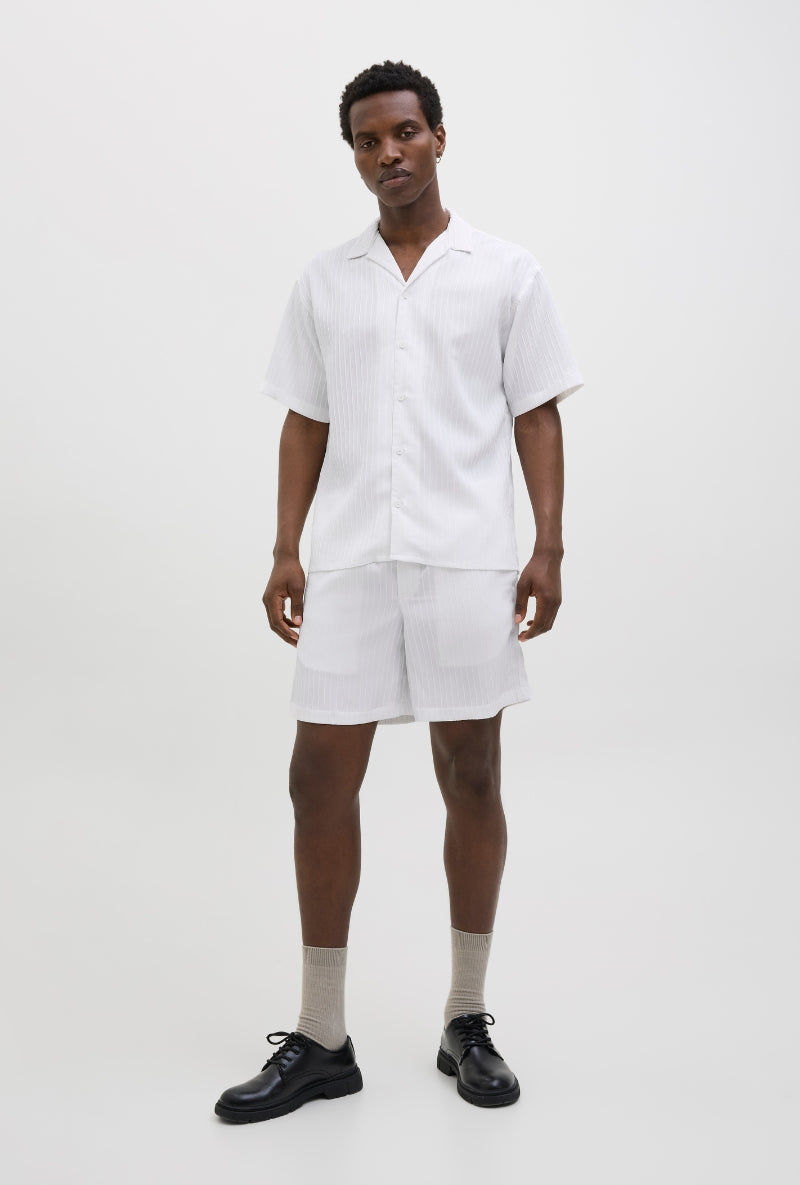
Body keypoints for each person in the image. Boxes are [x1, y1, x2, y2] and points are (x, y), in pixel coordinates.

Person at [214, 59, 584, 1124]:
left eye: (405, 132)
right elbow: (305, 418)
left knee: (472, 773)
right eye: (368, 140)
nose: (389, 153)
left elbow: (535, 412)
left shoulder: (504, 271)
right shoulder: (326, 280)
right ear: (354, 156)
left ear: (438, 137)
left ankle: (465, 1017)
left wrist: (548, 546)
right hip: (350, 562)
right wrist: (285, 547)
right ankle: (322, 1036)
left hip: (467, 557)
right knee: (316, 779)